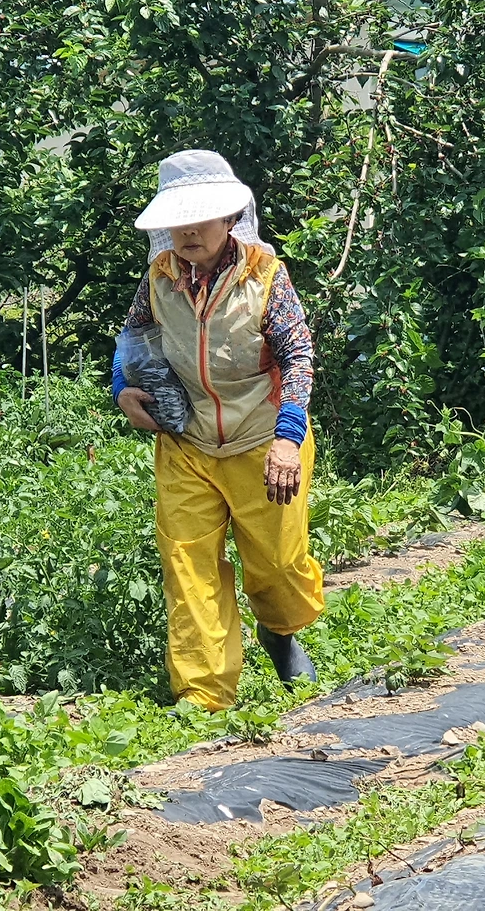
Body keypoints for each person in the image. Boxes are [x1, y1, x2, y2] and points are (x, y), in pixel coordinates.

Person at [112, 149, 324, 711]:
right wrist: (122, 389)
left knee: (278, 565)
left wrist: (288, 438)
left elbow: (298, 356)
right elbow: (134, 340)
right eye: (177, 221)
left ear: (230, 218)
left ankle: (279, 632)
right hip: (187, 442)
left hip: (264, 436)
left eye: (199, 219)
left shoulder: (266, 277)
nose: (187, 232)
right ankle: (203, 695)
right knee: (188, 566)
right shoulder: (159, 279)